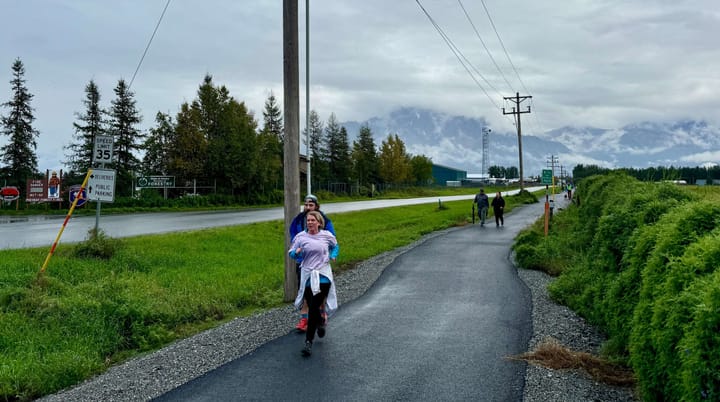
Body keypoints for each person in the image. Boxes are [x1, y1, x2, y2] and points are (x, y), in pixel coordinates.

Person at [289, 210, 339, 357]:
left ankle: (308, 342)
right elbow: (291, 252)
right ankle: (320, 323)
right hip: (308, 275)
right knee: (312, 305)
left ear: (319, 222)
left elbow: (335, 246)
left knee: (314, 307)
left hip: (323, 275)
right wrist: (296, 252)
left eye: (312, 220)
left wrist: (333, 255)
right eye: (308, 220)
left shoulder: (326, 235)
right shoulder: (301, 237)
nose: (310, 222)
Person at [289, 194, 335, 332]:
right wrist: (298, 251)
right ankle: (305, 319)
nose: (308, 208)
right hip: (304, 262)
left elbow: (332, 239)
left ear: (316, 206)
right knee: (305, 291)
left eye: (311, 205)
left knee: (319, 292)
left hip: (321, 264)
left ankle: (321, 315)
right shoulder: (298, 220)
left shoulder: (324, 220)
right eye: (306, 205)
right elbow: (293, 236)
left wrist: (331, 254)